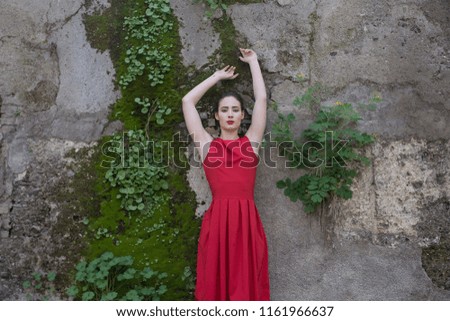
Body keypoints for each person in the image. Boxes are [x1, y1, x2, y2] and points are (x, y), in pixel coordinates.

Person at [182, 48, 270, 300]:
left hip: (247, 223)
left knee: (248, 285)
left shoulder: (251, 142)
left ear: (243, 115)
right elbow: (187, 101)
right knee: (215, 286)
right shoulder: (207, 145)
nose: (230, 114)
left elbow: (261, 99)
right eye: (224, 110)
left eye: (235, 110)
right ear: (217, 116)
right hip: (218, 222)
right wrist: (216, 77)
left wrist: (253, 62)